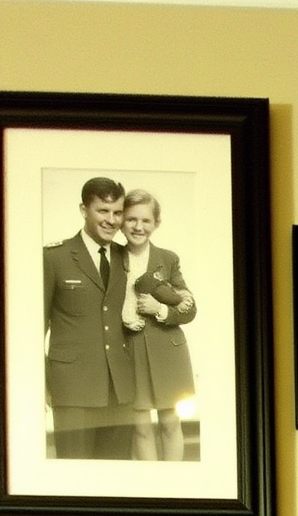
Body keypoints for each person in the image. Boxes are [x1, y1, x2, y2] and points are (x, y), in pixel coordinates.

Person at [43, 176, 134, 459]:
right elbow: (32, 327)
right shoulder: (53, 257)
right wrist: (38, 383)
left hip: (121, 391)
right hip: (72, 389)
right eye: (102, 211)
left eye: (117, 212)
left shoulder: (127, 256)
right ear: (84, 210)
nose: (111, 220)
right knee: (74, 478)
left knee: (117, 481)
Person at [120, 189, 197, 461]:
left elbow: (189, 309)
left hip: (168, 352)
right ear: (121, 220)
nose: (138, 227)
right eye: (131, 219)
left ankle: (173, 487)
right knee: (140, 428)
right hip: (131, 351)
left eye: (145, 221)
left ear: (156, 224)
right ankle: (151, 487)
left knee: (170, 422)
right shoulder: (111, 256)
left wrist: (161, 309)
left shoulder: (168, 259)